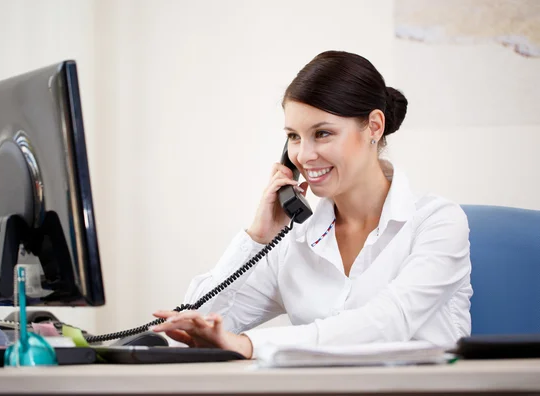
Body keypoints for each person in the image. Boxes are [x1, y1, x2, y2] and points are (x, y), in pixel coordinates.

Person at [152, 50, 473, 359]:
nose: (303, 156)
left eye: (322, 133)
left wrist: (250, 345)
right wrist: (256, 238)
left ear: (374, 126)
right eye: (293, 136)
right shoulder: (293, 239)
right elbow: (198, 327)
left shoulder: (437, 222)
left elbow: (386, 323)